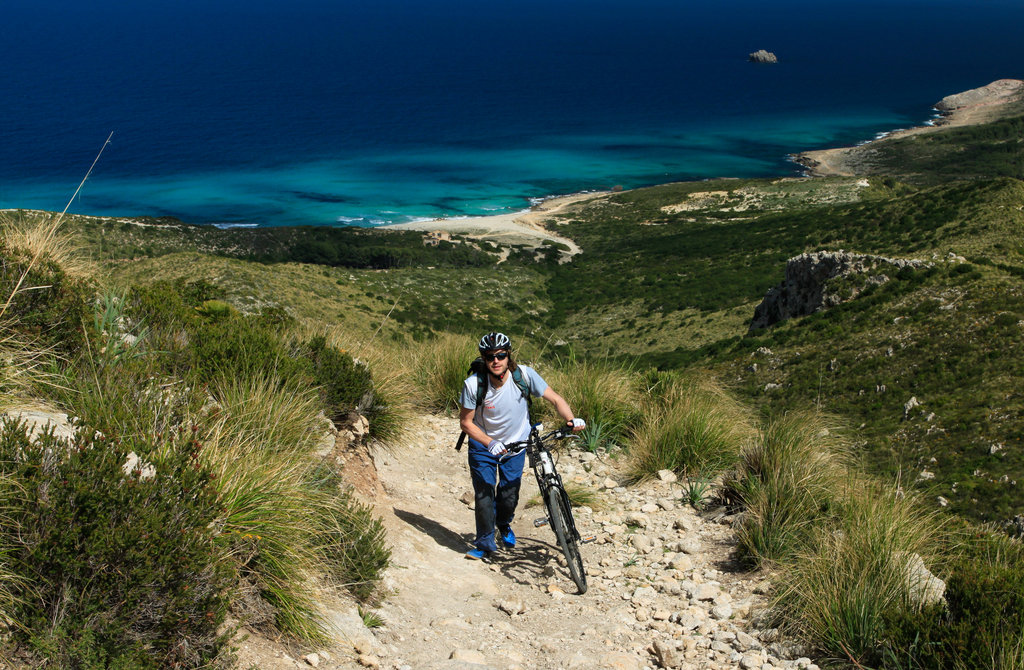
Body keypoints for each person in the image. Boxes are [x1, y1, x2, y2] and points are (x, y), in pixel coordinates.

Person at [459, 332, 585, 560]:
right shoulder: (473, 385)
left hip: (517, 443)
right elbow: (466, 423)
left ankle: (503, 524)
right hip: (483, 445)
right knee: (485, 494)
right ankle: (485, 544)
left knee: (509, 494)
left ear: (508, 356)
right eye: (489, 357)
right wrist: (490, 442)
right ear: (484, 359)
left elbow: (555, 398)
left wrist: (571, 419)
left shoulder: (524, 375)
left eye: (500, 355)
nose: (495, 361)